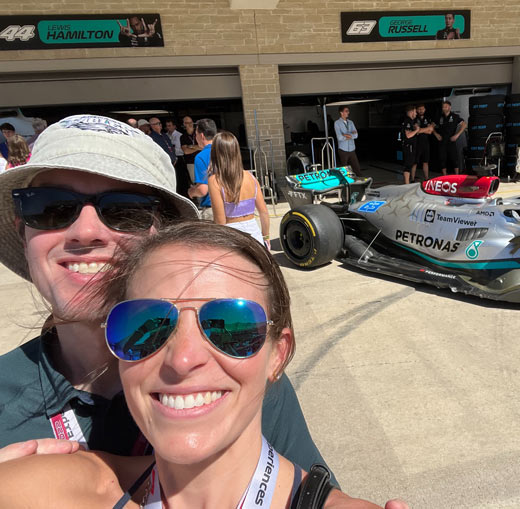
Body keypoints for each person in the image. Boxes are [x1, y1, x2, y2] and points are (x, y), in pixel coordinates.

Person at [0, 115, 333, 483]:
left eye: (124, 210)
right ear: (23, 230)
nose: (85, 231)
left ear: (166, 237)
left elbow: (316, 492)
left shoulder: (231, 363)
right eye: (50, 207)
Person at [0, 221, 397, 508]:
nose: (184, 359)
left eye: (231, 326)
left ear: (278, 354)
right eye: (145, 326)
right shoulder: (61, 489)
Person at [208, 131, 270, 248]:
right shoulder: (251, 177)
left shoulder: (215, 181)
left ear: (216, 153)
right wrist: (265, 236)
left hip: (232, 237)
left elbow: (220, 220)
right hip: (255, 235)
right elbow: (264, 212)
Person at [188, 118, 216, 220]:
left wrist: (192, 192)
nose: (196, 137)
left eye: (196, 134)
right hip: (233, 206)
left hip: (213, 209)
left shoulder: (201, 157)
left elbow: (203, 190)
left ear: (202, 135)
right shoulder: (227, 152)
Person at [434, 100, 466, 175]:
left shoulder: (455, 116)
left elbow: (464, 125)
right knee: (442, 160)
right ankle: (445, 176)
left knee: (454, 159)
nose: (444, 108)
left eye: (446, 107)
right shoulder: (439, 117)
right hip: (442, 141)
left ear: (449, 107)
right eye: (443, 107)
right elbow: (431, 126)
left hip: (451, 141)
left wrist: (457, 135)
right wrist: (436, 134)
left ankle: (457, 176)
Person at [165, 118, 190, 198]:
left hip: (179, 158)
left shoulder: (179, 135)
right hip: (170, 158)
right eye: (167, 126)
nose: (168, 127)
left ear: (174, 126)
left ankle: (185, 195)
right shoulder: (166, 135)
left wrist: (171, 148)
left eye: (169, 125)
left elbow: (180, 149)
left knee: (182, 178)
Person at [334, 106, 362, 175]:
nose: (348, 112)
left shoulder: (351, 122)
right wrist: (351, 135)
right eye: (346, 111)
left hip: (352, 149)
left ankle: (361, 182)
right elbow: (339, 137)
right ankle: (346, 183)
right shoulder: (337, 123)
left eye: (348, 111)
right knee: (344, 170)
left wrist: (346, 135)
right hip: (343, 150)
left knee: (357, 169)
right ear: (341, 112)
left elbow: (356, 135)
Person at [414, 104, 434, 182]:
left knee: (425, 162)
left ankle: (426, 178)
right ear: (416, 110)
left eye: (422, 109)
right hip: (417, 143)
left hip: (426, 143)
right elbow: (417, 132)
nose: (421, 110)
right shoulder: (415, 118)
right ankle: (412, 179)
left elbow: (430, 132)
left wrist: (421, 130)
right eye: (419, 109)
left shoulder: (427, 118)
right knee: (415, 162)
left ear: (425, 109)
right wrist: (427, 128)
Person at [400, 105, 420, 184]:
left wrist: (416, 129)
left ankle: (408, 182)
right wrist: (416, 130)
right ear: (411, 112)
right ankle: (407, 184)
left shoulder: (411, 121)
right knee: (408, 165)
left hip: (412, 146)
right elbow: (408, 135)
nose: (416, 114)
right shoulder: (407, 121)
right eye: (415, 112)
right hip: (409, 146)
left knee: (411, 164)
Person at [180, 115, 201, 185]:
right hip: (190, 162)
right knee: (195, 182)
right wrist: (197, 147)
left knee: (205, 181)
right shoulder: (183, 137)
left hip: (202, 160)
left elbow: (204, 147)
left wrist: (191, 146)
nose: (189, 124)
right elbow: (186, 151)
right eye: (186, 122)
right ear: (183, 124)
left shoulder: (199, 134)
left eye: (190, 122)